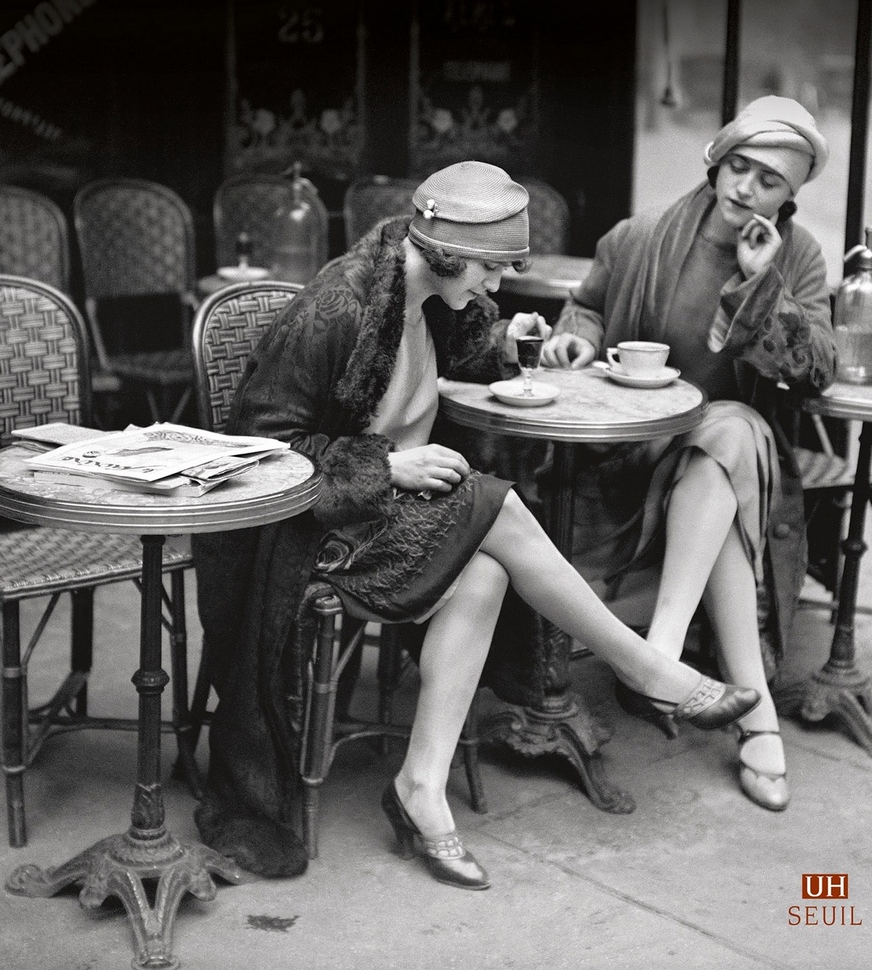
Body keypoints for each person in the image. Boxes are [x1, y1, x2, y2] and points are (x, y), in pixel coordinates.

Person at [192, 160, 761, 890]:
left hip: (386, 509)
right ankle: (643, 665)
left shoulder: (425, 287)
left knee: (488, 568)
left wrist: (508, 339)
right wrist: (385, 468)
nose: (495, 286)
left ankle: (419, 789)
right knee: (496, 502)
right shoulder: (338, 305)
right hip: (315, 522)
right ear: (444, 249)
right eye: (490, 270)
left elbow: (458, 351)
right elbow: (263, 447)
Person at [542, 97, 837, 812]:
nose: (745, 188)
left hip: (730, 453)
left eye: (768, 180)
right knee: (723, 488)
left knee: (730, 427)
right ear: (715, 160)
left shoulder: (796, 256)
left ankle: (660, 651)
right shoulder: (639, 236)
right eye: (738, 167)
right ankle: (756, 716)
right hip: (633, 456)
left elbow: (817, 370)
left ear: (789, 195)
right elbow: (584, 306)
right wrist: (574, 337)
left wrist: (763, 283)